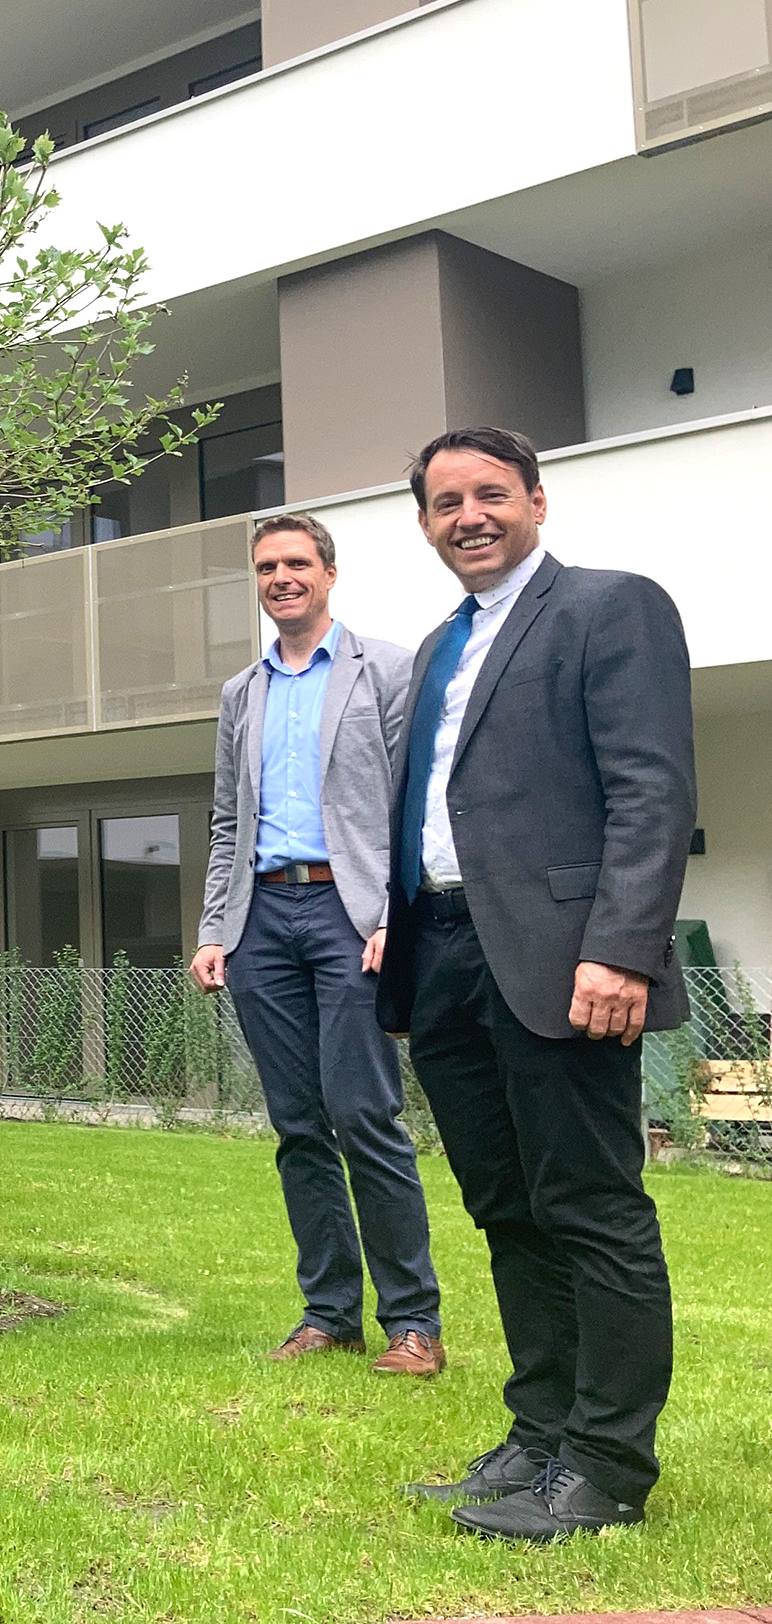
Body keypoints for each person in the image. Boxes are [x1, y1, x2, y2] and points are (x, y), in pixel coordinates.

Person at [382, 427, 695, 1542]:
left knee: (590, 1207)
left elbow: (651, 790)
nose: (468, 515)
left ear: (537, 501)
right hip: (446, 954)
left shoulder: (612, 607)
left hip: (566, 959)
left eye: (490, 494)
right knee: (507, 1208)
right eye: (445, 502)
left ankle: (606, 1466)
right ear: (424, 522)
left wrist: (622, 946)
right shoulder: (438, 645)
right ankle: (542, 1434)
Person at [190, 514, 444, 1375]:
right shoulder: (242, 692)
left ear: (329, 573)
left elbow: (413, 803)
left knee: (364, 1115)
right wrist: (214, 929)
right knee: (298, 1124)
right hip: (262, 919)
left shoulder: (389, 668)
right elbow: (228, 820)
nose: (282, 577)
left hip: (351, 915)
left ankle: (412, 1322)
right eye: (267, 566)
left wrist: (395, 918)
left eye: (297, 562)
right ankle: (330, 1314)